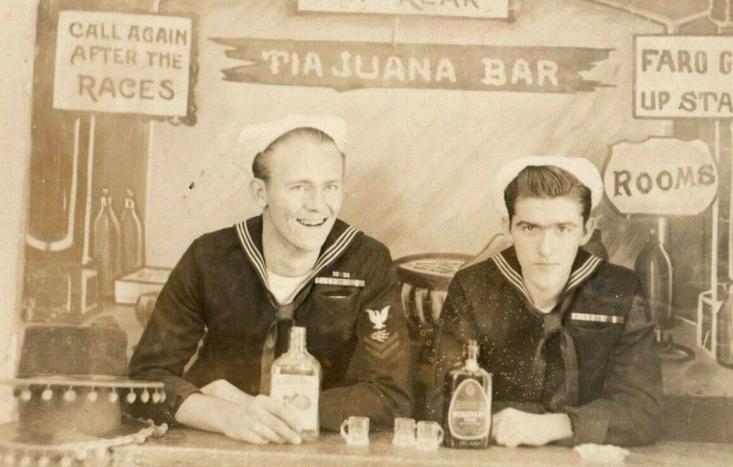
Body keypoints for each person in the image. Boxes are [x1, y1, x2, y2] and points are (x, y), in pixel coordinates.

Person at [129, 116, 413, 445]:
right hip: (217, 443)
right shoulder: (209, 256)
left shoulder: (368, 260)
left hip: (316, 450)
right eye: (299, 187)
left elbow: (393, 398)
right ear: (260, 192)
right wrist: (224, 414)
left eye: (330, 186)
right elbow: (145, 378)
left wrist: (251, 406)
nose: (318, 205)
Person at [429, 156, 662, 447]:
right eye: (530, 228)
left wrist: (555, 424)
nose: (546, 248)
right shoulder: (472, 287)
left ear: (586, 231)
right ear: (508, 227)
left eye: (563, 229)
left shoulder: (621, 289)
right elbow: (442, 402)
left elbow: (643, 412)